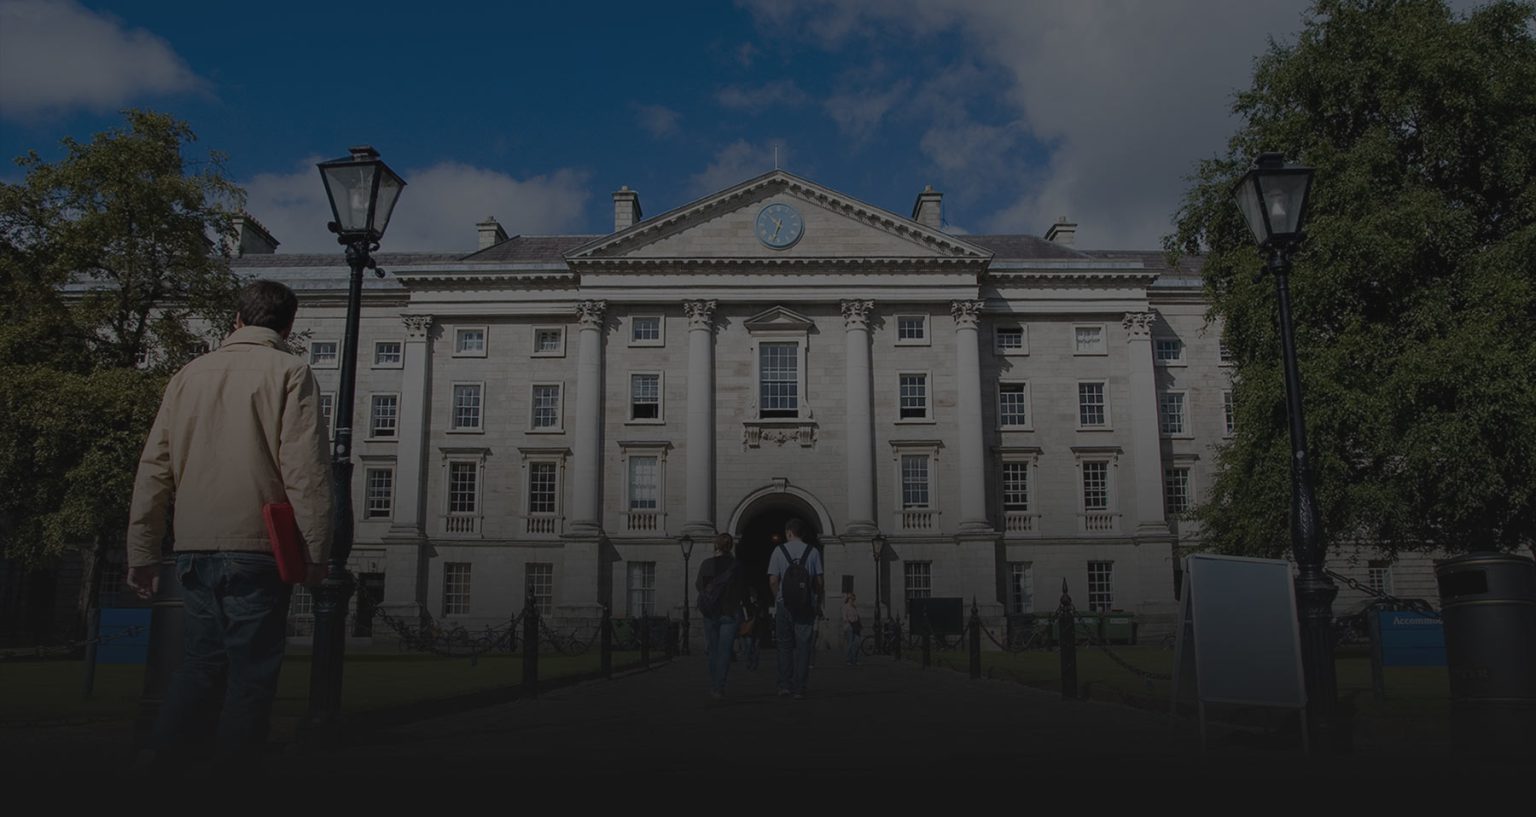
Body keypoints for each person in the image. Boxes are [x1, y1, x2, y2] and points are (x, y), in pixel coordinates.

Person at [125, 279, 333, 770]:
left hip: (193, 546)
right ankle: (235, 771)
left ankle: (163, 759)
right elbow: (305, 471)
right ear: (287, 327)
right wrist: (317, 551)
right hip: (258, 546)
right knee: (252, 673)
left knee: (200, 663)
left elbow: (154, 468)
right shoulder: (291, 371)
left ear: (237, 320)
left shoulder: (188, 374)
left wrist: (143, 551)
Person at [768, 517, 823, 700]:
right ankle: (800, 688)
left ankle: (784, 685)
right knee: (804, 646)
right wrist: (816, 599)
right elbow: (818, 581)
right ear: (803, 533)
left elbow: (773, 580)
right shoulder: (813, 551)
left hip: (784, 604)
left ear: (789, 532)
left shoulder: (778, 551)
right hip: (806, 604)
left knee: (784, 645)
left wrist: (778, 597)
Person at [695, 532, 745, 698]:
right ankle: (719, 687)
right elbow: (742, 590)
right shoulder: (736, 565)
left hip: (710, 612)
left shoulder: (707, 564)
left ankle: (714, 684)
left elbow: (699, 586)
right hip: (729, 613)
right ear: (731, 546)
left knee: (713, 651)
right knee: (724, 652)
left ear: (716, 545)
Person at [844, 591, 862, 665]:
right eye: (852, 599)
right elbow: (845, 617)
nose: (853, 600)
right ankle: (849, 660)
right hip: (849, 626)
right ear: (848, 599)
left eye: (854, 599)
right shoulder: (846, 607)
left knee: (857, 643)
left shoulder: (854, 607)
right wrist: (851, 621)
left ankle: (855, 659)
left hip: (856, 626)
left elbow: (857, 616)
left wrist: (859, 623)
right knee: (850, 644)